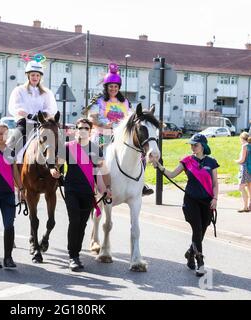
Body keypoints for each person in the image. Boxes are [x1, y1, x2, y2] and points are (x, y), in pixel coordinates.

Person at [50, 118, 112, 272]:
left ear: (90, 131)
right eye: (80, 127)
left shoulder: (95, 148)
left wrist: (106, 189)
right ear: (76, 129)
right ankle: (73, 256)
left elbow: (100, 172)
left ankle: (75, 253)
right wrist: (54, 171)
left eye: (85, 127)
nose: (82, 130)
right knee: (74, 220)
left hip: (88, 191)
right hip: (71, 190)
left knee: (83, 224)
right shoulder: (67, 147)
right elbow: (57, 165)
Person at [153, 133, 219, 277]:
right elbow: (171, 174)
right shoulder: (187, 161)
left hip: (207, 202)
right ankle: (200, 262)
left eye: (195, 144)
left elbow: (215, 183)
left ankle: (190, 253)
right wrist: (159, 166)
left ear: (203, 146)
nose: (192, 147)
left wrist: (215, 198)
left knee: (202, 230)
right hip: (191, 201)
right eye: (191, 144)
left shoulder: (211, 162)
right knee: (197, 229)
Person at [83, 63, 153, 196]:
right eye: (111, 86)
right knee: (96, 154)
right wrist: (105, 125)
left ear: (119, 87)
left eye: (116, 86)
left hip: (121, 135)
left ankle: (141, 184)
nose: (113, 89)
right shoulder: (98, 100)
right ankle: (91, 182)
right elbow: (91, 117)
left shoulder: (125, 102)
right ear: (106, 87)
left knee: (139, 154)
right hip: (103, 133)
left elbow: (132, 118)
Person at [0, 123, 25, 268]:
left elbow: (14, 171)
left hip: (8, 194)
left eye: (5, 133)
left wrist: (21, 188)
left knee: (9, 225)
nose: (3, 136)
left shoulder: (10, 151)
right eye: (0, 133)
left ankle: (8, 258)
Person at [7, 58, 58, 161]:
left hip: (42, 124)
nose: (35, 77)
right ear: (28, 76)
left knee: (58, 146)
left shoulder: (47, 93)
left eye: (37, 75)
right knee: (10, 147)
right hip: (25, 124)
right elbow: (16, 108)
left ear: (40, 77)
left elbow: (51, 109)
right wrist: (30, 116)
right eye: (33, 75)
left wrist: (43, 115)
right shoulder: (19, 90)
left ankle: (59, 171)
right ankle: (9, 168)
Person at [235, 132, 251, 212]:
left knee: (241, 187)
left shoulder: (244, 146)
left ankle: (245, 207)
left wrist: (236, 161)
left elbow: (242, 160)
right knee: (249, 188)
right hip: (250, 169)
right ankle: (249, 205)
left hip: (245, 169)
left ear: (242, 138)